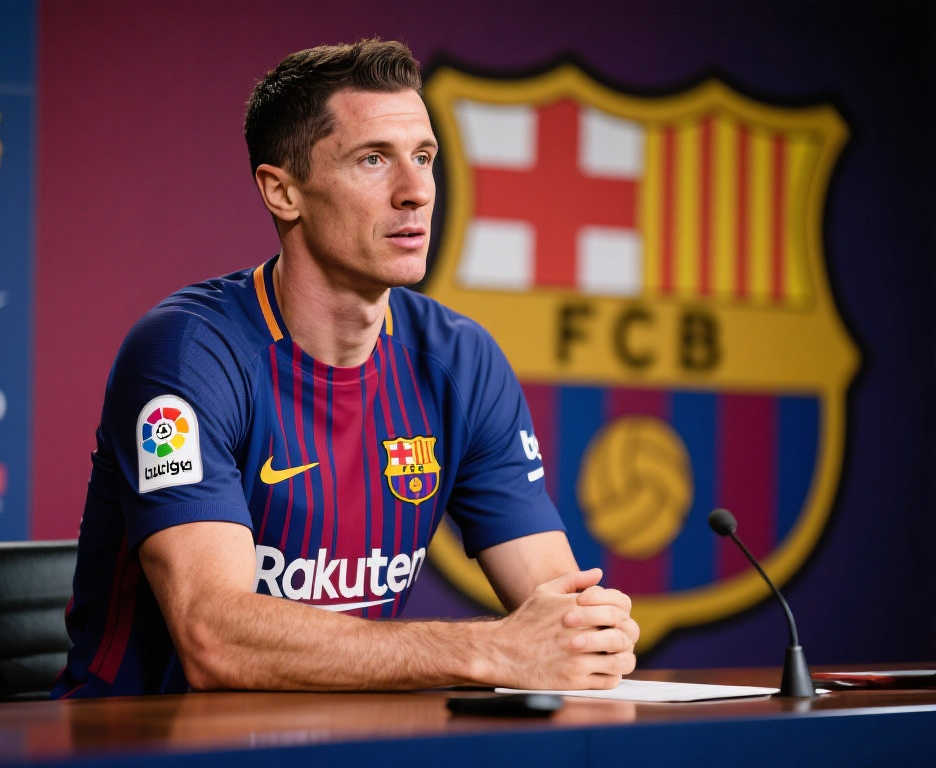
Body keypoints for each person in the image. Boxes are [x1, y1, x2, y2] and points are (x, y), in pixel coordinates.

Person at [53, 39, 638, 698]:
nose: (416, 193)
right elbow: (215, 638)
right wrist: (488, 650)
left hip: (338, 737)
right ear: (282, 192)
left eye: (424, 157)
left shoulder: (460, 361)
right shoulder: (189, 353)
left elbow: (563, 613)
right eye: (373, 160)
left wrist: (594, 634)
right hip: (142, 738)